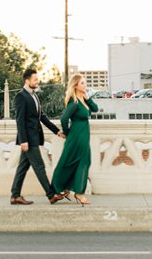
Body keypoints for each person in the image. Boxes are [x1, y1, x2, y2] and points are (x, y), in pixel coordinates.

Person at [10, 69, 67, 205]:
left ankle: (15, 195)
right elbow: (20, 120)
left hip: (34, 138)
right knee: (39, 166)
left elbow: (42, 117)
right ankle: (51, 195)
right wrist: (23, 140)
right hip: (29, 140)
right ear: (27, 81)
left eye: (37, 79)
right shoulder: (21, 96)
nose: (38, 81)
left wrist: (57, 131)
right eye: (35, 79)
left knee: (22, 167)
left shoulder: (34, 95)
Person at [51, 74, 98, 205]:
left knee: (82, 162)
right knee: (79, 161)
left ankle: (69, 189)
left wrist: (88, 98)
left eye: (85, 83)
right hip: (77, 136)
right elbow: (64, 119)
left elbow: (95, 109)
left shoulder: (83, 99)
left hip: (83, 134)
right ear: (75, 85)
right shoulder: (74, 102)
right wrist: (66, 133)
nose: (85, 85)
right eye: (82, 83)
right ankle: (78, 193)